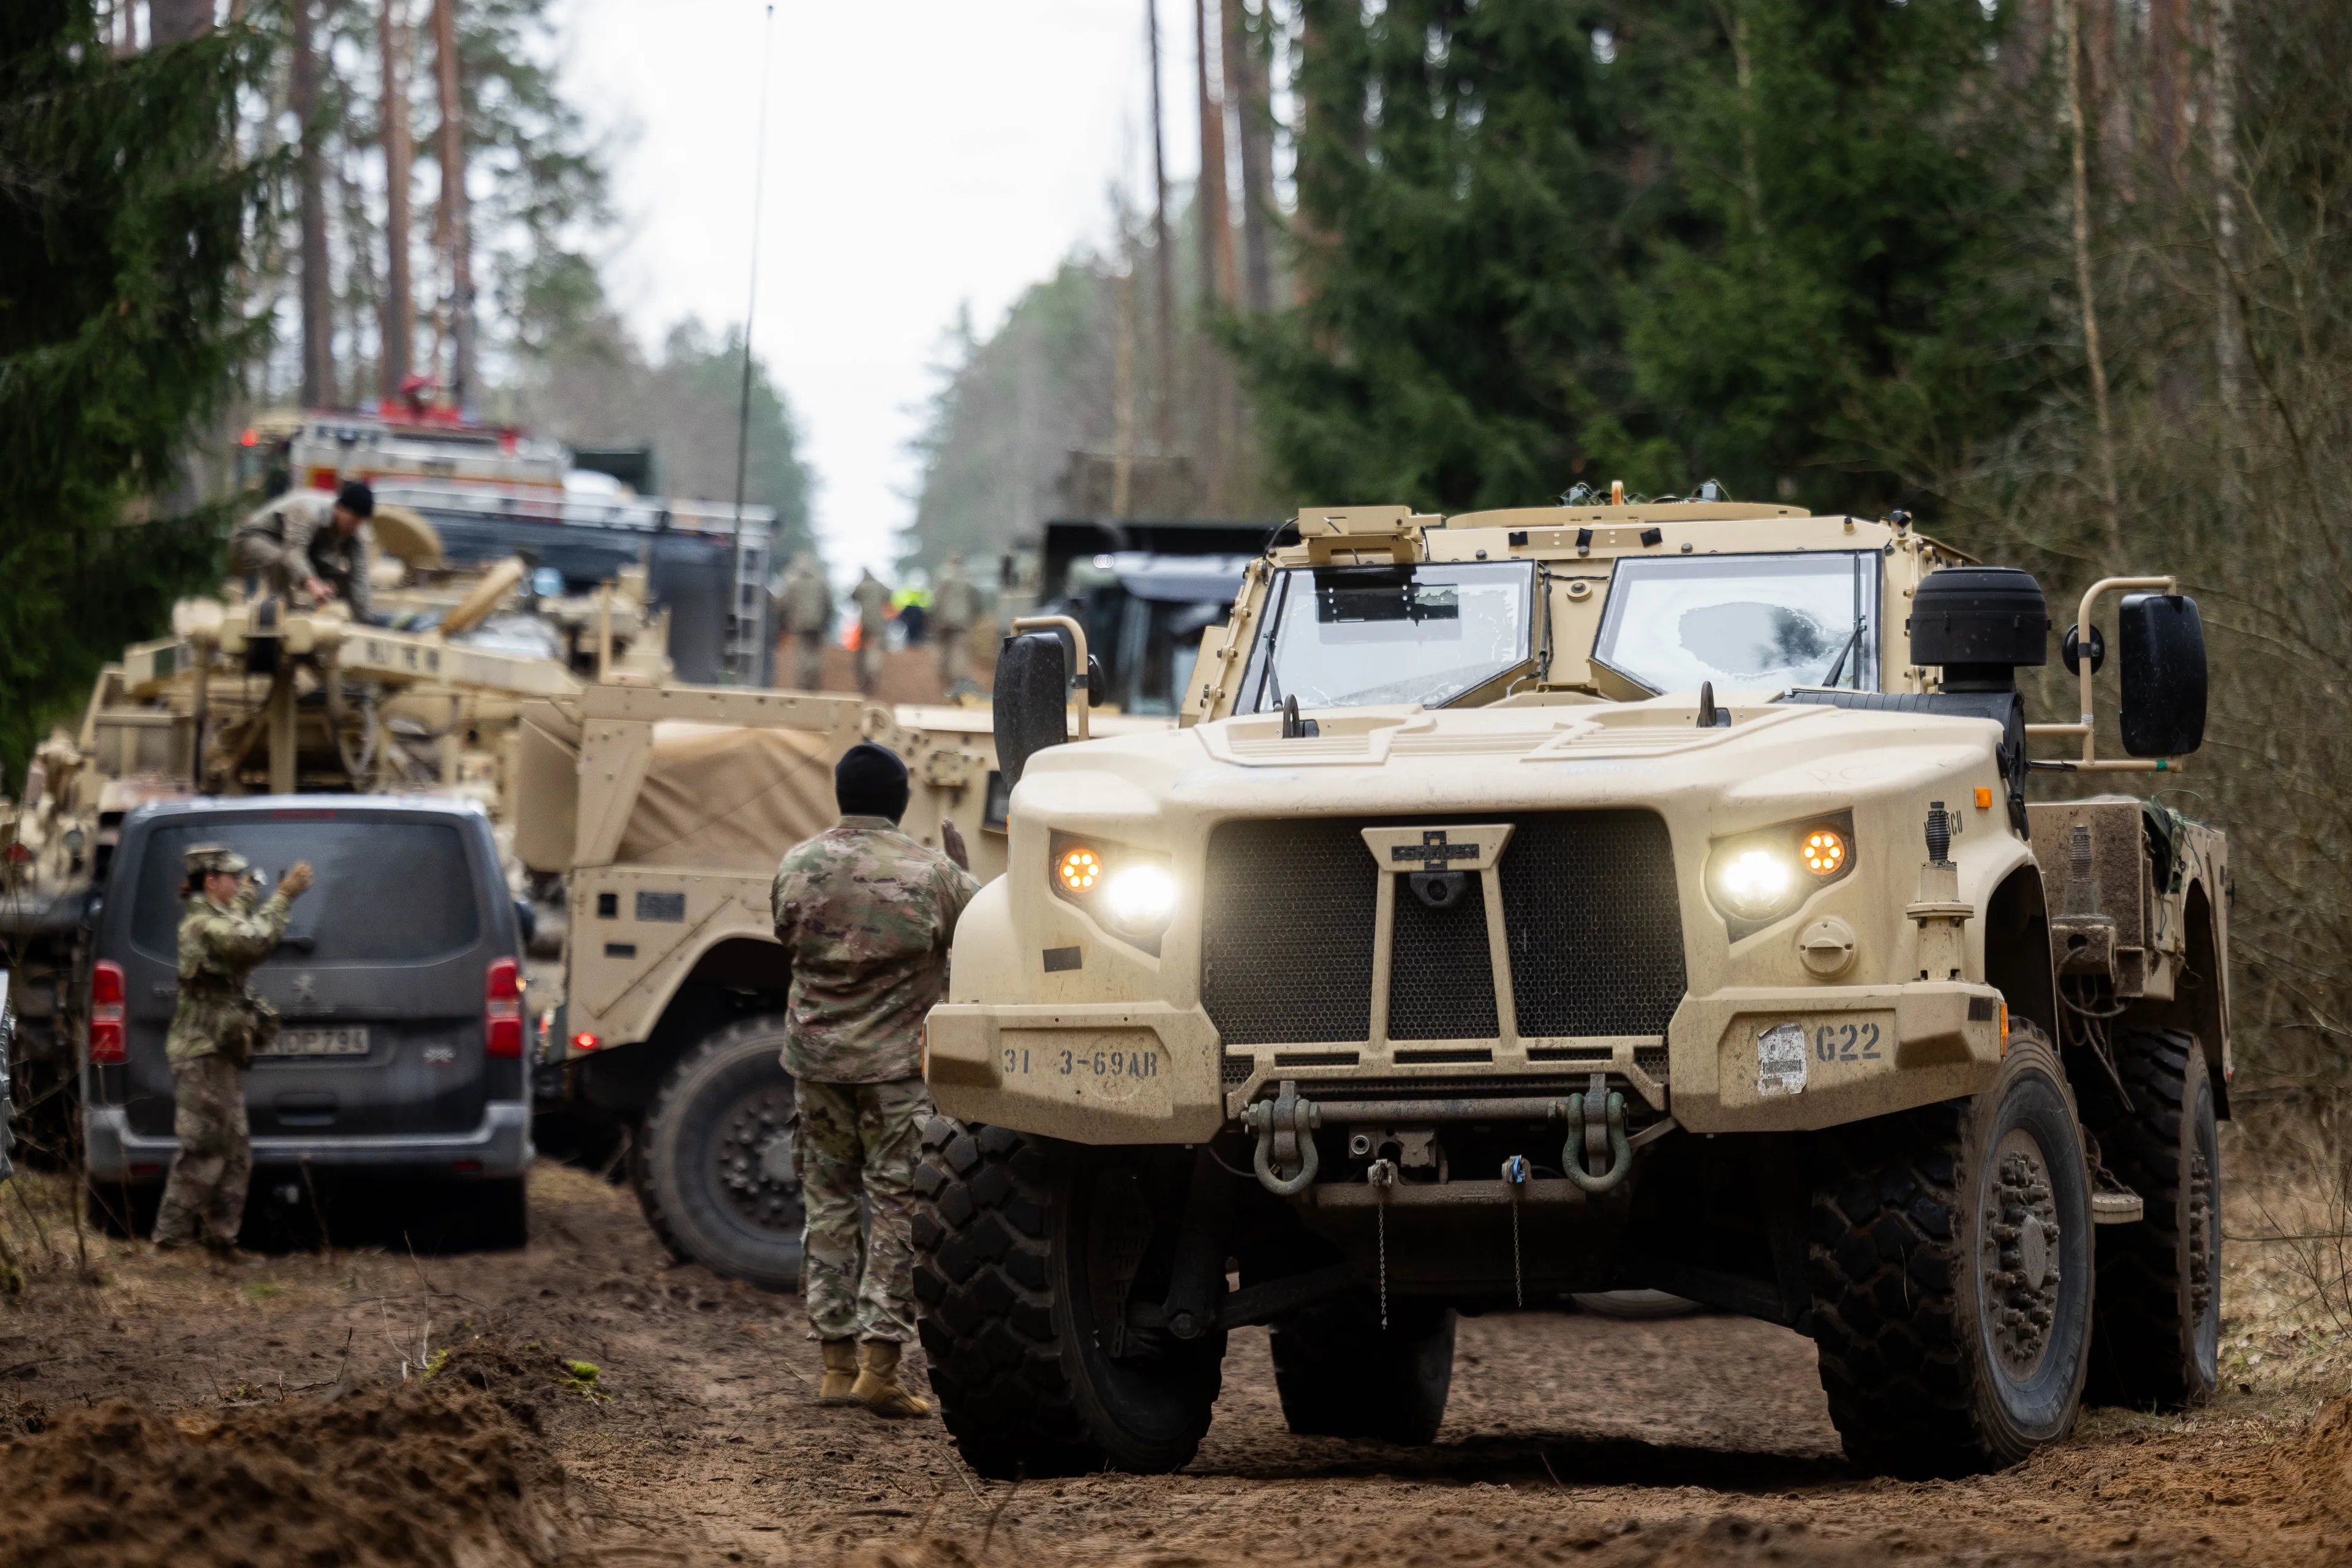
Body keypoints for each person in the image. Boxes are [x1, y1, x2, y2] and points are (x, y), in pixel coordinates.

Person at [771, 743, 977, 1418]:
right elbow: (975, 931)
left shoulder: (797, 865)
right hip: (895, 1075)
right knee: (895, 1210)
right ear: (901, 799)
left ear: (839, 793)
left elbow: (786, 935)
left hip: (817, 1068)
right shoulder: (931, 872)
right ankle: (879, 1370)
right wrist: (962, 866)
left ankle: (833, 1365)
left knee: (827, 1205)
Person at [153, 844, 314, 1254]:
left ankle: (221, 1242)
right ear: (210, 881)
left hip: (217, 1052)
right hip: (200, 1053)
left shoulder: (216, 914)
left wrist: (249, 893)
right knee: (204, 1148)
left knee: (236, 1150)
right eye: (232, 877)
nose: (239, 882)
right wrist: (283, 897)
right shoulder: (202, 925)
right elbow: (251, 941)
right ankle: (169, 1244)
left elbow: (237, 917)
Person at [228, 478, 375, 620]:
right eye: (353, 521)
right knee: (282, 560)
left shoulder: (354, 531)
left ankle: (357, 618)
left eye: (360, 523)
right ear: (341, 509)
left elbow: (360, 575)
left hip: (295, 549)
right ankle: (283, 613)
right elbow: (294, 553)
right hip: (252, 538)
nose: (355, 527)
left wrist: (366, 617)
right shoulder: (308, 511)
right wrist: (313, 585)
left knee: (344, 581)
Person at [780, 554, 833, 692]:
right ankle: (813, 680)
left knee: (801, 653)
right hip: (818, 625)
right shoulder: (821, 584)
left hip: (799, 624)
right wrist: (825, 622)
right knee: (815, 653)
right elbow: (828, 605)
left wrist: (784, 624)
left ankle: (803, 683)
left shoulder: (794, 585)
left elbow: (785, 605)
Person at [932, 553, 982, 691]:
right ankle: (958, 681)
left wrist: (935, 618)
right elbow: (976, 600)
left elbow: (937, 599)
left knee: (944, 650)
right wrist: (974, 615)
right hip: (962, 621)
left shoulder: (942, 576)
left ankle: (944, 680)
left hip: (944, 620)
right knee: (959, 650)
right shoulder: (969, 579)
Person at [851, 570, 892, 696]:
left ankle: (866, 677)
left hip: (865, 624)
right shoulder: (880, 587)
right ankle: (873, 673)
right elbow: (889, 596)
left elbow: (853, 597)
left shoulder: (861, 587)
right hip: (878, 624)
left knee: (863, 651)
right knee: (874, 651)